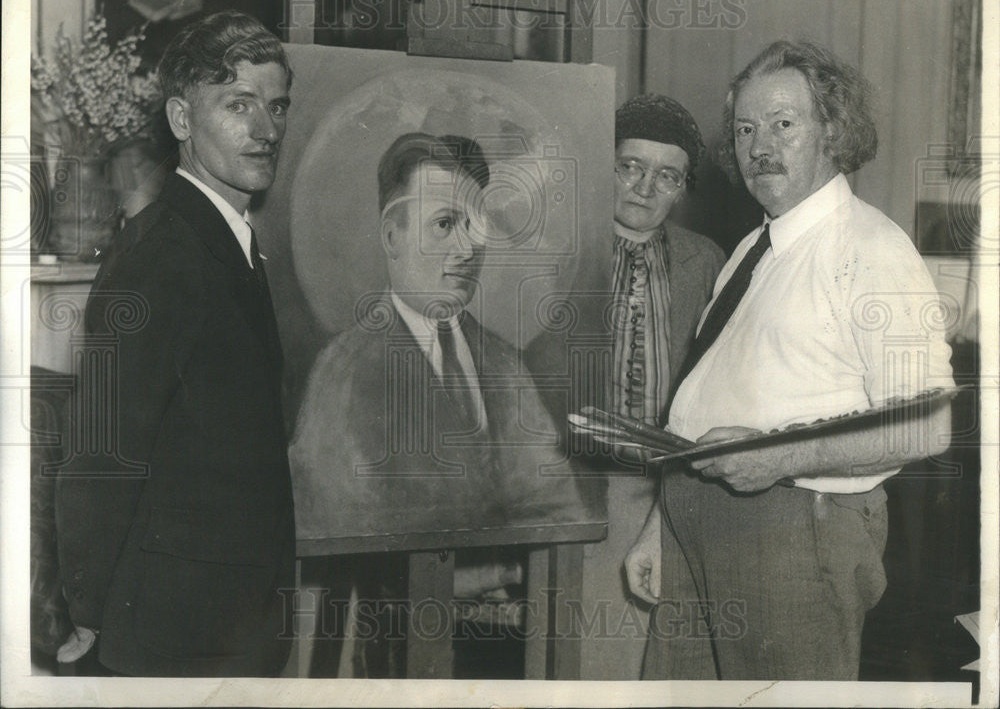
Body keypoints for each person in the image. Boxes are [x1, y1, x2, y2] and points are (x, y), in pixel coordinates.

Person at [625, 39, 955, 680]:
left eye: (783, 124)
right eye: (745, 129)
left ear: (832, 131)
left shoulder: (871, 247)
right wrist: (662, 526)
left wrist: (777, 455)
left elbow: (926, 423)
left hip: (794, 529)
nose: (759, 146)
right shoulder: (755, 245)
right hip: (698, 523)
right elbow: (706, 395)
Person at [289, 133, 591, 676]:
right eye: (445, 224)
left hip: (509, 648)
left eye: (478, 226)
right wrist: (491, 573)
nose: (467, 248)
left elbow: (554, 504)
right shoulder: (345, 370)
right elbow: (346, 536)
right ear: (391, 235)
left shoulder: (502, 364)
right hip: (390, 652)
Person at [54, 11, 296, 677]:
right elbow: (100, 453)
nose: (266, 130)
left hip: (230, 615)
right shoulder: (159, 258)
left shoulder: (227, 242)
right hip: (174, 628)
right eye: (238, 105)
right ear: (182, 121)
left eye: (276, 107)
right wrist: (87, 607)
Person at [579, 95, 725, 679]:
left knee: (654, 656)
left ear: (684, 187)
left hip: (665, 491)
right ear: (603, 166)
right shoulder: (566, 247)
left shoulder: (706, 261)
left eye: (667, 175)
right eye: (629, 167)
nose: (644, 187)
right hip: (576, 484)